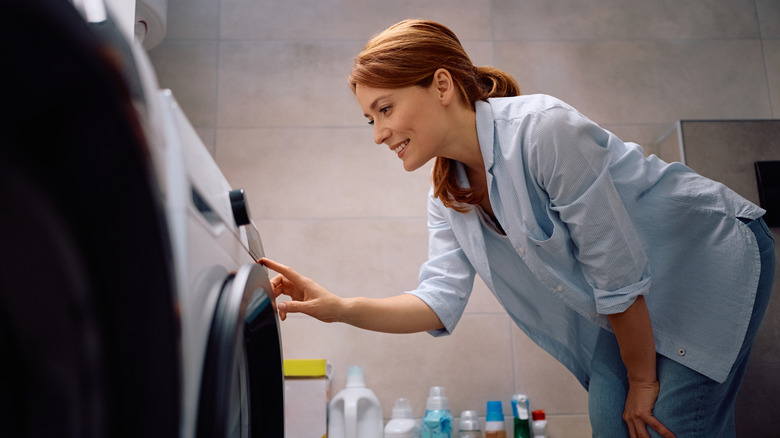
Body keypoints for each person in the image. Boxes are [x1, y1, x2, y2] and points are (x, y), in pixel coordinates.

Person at [260, 19, 775, 438]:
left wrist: (643, 379)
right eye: (369, 120)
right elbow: (437, 300)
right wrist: (338, 308)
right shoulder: (449, 194)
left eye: (385, 109)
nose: (378, 135)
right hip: (633, 295)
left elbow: (614, 271)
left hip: (704, 259)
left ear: (441, 85)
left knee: (667, 423)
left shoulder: (542, 130)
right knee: (610, 422)